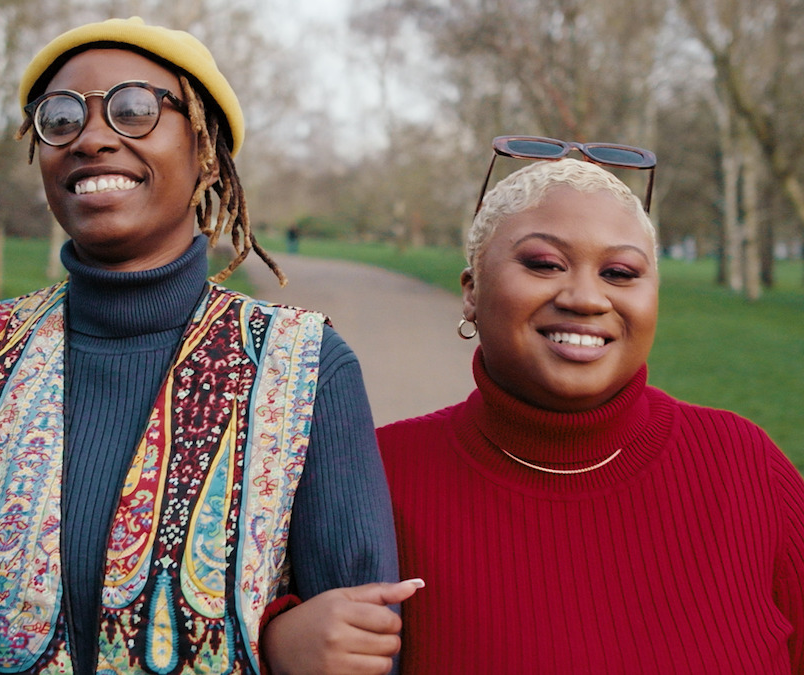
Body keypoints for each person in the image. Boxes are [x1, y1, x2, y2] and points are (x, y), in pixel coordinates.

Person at [0, 17, 400, 674]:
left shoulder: (303, 369)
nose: (91, 138)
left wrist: (276, 650)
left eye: (135, 109)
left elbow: (363, 644)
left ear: (204, 150)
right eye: (59, 119)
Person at [275, 149, 804, 673]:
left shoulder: (746, 467)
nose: (586, 298)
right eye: (545, 264)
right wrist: (276, 645)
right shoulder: (376, 476)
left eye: (620, 272)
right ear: (471, 292)